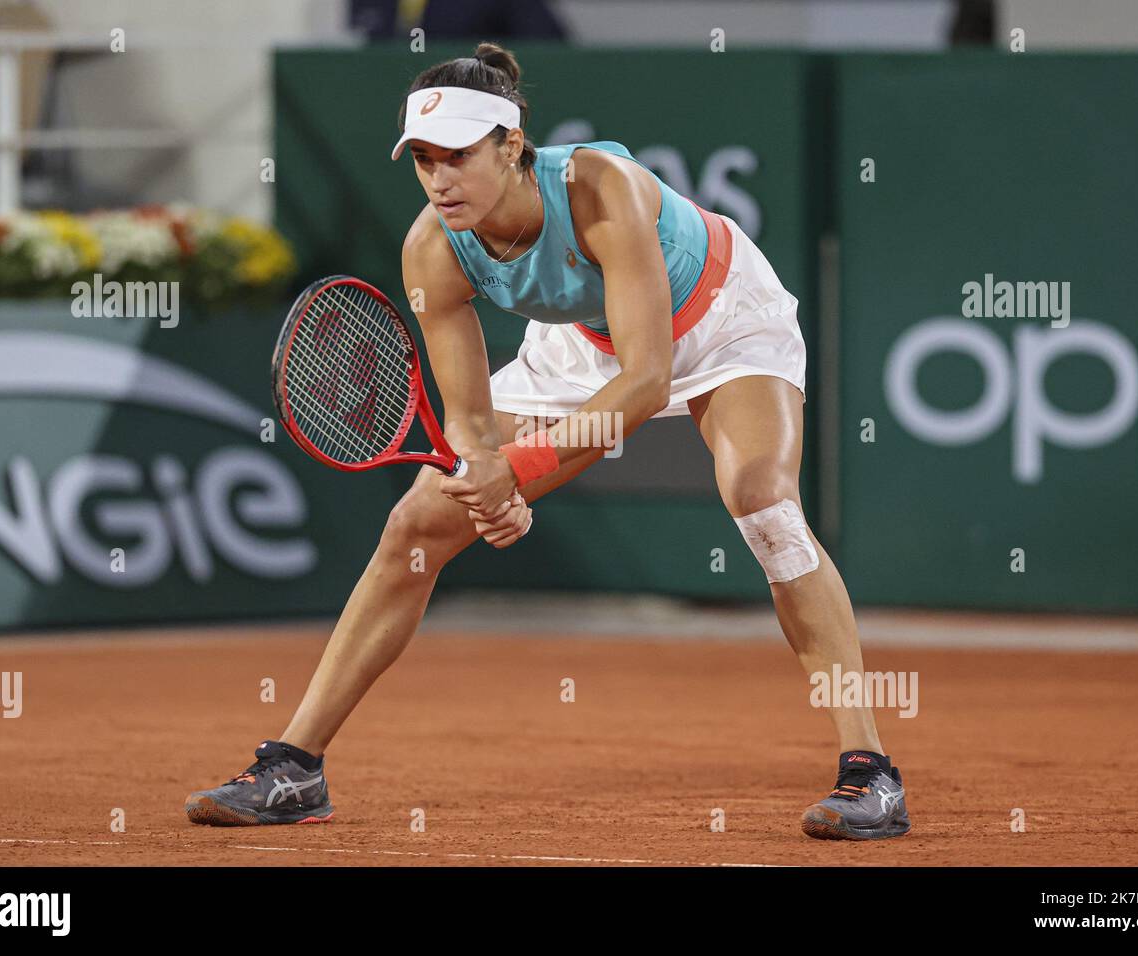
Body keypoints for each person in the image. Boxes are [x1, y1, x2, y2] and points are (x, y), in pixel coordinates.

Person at [185, 42, 910, 841]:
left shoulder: (604, 190)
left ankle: (870, 774)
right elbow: (465, 418)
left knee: (763, 503)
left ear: (511, 146)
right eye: (423, 159)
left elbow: (645, 384)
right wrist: (485, 473)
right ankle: (294, 767)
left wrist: (519, 471)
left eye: (458, 156)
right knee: (415, 527)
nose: (438, 179)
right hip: (581, 347)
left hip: (721, 321)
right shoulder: (433, 248)